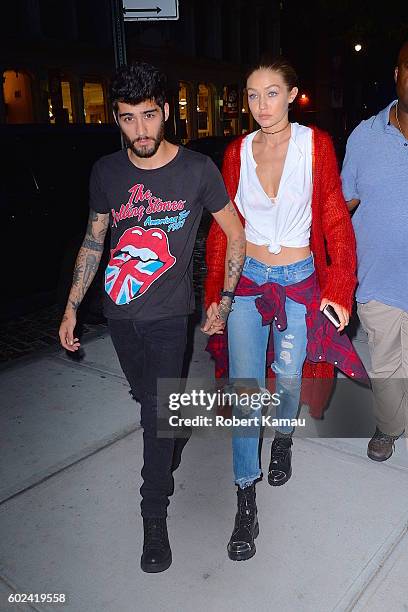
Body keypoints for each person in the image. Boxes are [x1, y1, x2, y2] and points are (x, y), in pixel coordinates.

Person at [59, 62, 245, 573]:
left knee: (154, 416)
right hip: (120, 315)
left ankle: (154, 513)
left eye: (148, 116)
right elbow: (95, 239)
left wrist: (223, 300)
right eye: (126, 119)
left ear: (165, 112)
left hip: (169, 315)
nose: (139, 130)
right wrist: (73, 306)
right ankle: (174, 432)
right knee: (149, 399)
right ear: (116, 119)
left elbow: (236, 231)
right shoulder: (106, 172)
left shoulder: (196, 171)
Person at [204, 57, 367, 561]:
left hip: (299, 282)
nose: (261, 106)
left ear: (292, 94)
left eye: (271, 93)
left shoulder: (314, 146)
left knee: (289, 377)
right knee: (246, 390)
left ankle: (283, 438)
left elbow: (337, 220)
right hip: (250, 282)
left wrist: (339, 290)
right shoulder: (236, 152)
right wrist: (216, 294)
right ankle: (244, 499)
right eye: (252, 95)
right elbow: (224, 229)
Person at [341, 40, 408, 462]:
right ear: (397, 75)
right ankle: (388, 426)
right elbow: (342, 205)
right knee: (386, 365)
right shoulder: (364, 137)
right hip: (380, 280)